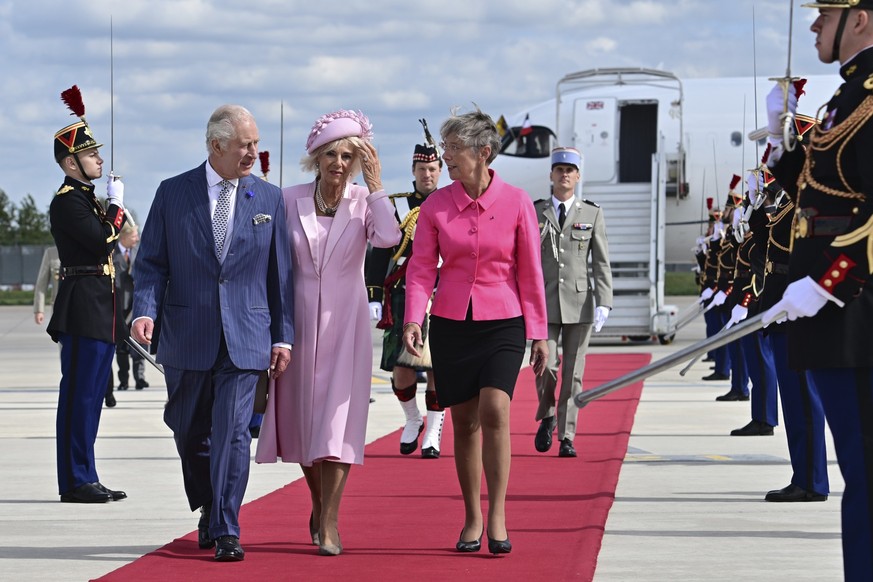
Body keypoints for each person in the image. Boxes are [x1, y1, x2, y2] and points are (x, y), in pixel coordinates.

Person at [130, 104, 295, 562]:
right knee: (188, 431)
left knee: (234, 432)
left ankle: (226, 525)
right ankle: (208, 502)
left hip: (247, 335)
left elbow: (280, 278)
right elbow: (150, 266)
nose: (253, 153)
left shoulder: (268, 198)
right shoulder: (171, 193)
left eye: (256, 143)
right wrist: (144, 312)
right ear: (216, 146)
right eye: (246, 145)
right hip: (186, 333)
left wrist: (283, 337)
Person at [402, 108, 549, 555]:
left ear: (483, 152)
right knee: (464, 422)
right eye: (445, 148)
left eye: (453, 148)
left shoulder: (519, 200)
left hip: (504, 322)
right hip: (450, 323)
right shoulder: (435, 205)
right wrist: (413, 317)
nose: (446, 157)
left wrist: (539, 332)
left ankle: (499, 514)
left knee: (496, 411)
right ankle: (472, 516)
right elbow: (422, 267)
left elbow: (530, 270)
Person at [255, 109, 400, 557]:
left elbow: (390, 238)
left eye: (349, 156)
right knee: (303, 421)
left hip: (347, 321)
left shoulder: (364, 200)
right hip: (296, 321)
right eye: (332, 154)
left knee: (338, 423)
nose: (340, 162)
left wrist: (376, 186)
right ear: (316, 158)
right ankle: (319, 503)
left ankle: (331, 521)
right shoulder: (287, 198)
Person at [762, 3, 873, 579]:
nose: (813, 26)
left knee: (867, 477)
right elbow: (824, 188)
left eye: (824, 14)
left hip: (854, 316)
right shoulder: (848, 96)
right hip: (836, 320)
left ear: (859, 19)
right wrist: (785, 151)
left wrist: (829, 283)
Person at [47, 86, 128, 504]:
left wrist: (110, 208)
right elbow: (101, 243)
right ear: (70, 162)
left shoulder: (87, 201)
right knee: (78, 397)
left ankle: (87, 475)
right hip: (81, 309)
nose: (99, 159)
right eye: (91, 154)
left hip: (100, 309)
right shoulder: (67, 203)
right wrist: (116, 208)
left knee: (92, 398)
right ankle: (75, 480)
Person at [366, 123, 445, 458]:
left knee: (439, 366)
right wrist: (373, 294)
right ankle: (412, 419)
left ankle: (435, 430)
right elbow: (379, 250)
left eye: (432, 168)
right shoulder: (399, 207)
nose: (427, 174)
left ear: (440, 170)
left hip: (443, 294)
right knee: (402, 367)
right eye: (421, 168)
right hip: (403, 291)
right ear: (413, 170)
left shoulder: (452, 202)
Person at [532, 146, 613, 458]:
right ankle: (548, 414)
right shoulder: (536, 211)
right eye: (559, 170)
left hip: (580, 303)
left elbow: (601, 262)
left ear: (578, 177)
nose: (564, 175)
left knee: (573, 374)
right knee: (546, 367)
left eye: (570, 170)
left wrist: (604, 300)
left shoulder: (592, 213)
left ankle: (566, 435)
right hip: (544, 302)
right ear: (551, 175)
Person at [112, 224, 147, 391]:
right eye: (134, 236)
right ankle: (124, 380)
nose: (137, 239)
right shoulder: (111, 253)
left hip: (136, 306)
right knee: (121, 347)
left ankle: (140, 377)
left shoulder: (139, 252)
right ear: (124, 237)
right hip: (118, 306)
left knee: (140, 344)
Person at [33, 246, 60, 325]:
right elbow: (42, 284)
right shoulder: (51, 253)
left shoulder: (84, 249)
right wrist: (39, 310)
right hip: (58, 310)